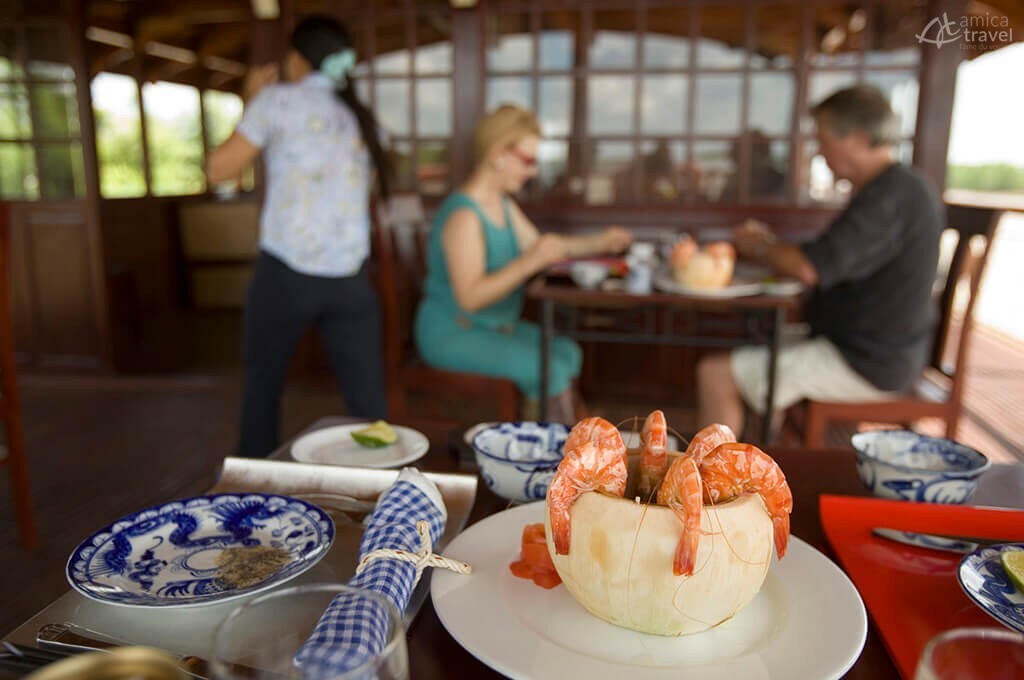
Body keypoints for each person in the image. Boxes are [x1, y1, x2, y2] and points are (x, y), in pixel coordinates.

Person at [696, 85, 944, 438]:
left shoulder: (892, 195)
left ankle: (713, 488)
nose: (819, 151)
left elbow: (810, 267)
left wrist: (761, 246)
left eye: (824, 140)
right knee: (760, 346)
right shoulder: (896, 188)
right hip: (866, 347)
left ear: (857, 139)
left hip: (867, 362)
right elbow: (828, 256)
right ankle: (759, 462)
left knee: (716, 374)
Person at [205, 15, 391, 457]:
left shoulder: (275, 101)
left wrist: (250, 100)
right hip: (350, 278)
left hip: (286, 272)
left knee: (263, 385)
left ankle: (253, 493)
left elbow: (219, 172)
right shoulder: (361, 118)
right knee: (368, 402)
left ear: (298, 58)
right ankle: (391, 494)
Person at [414, 105, 633, 423]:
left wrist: (600, 242)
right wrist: (530, 262)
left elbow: (543, 247)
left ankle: (568, 427)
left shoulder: (502, 204)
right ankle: (560, 451)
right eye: (528, 160)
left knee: (569, 352)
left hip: (494, 326)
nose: (532, 172)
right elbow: (470, 297)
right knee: (551, 368)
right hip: (453, 333)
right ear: (498, 154)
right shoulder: (464, 215)